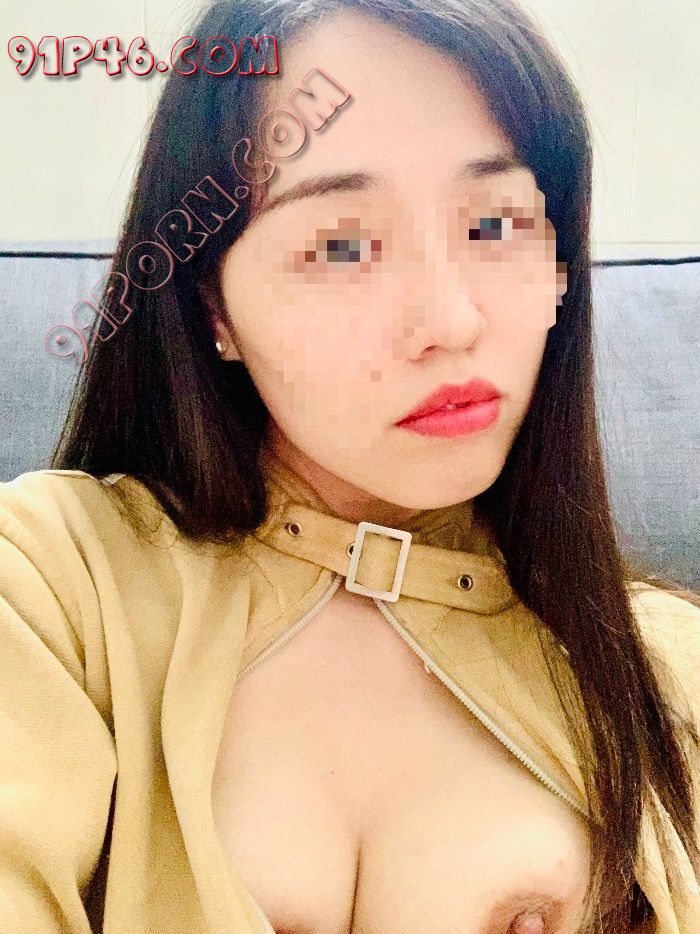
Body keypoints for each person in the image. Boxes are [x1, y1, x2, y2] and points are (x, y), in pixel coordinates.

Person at [1, 1, 698, 932]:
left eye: (496, 225)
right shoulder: (53, 589)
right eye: (341, 246)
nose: (450, 321)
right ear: (213, 304)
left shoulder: (663, 673)